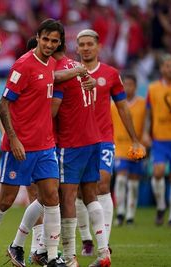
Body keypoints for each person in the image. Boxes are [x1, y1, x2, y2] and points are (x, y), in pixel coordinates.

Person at [0, 19, 65, 267]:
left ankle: (52, 256)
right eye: (45, 39)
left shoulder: (51, 64)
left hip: (45, 145)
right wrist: (13, 139)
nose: (49, 44)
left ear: (58, 43)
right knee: (5, 201)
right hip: (20, 146)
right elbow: (3, 104)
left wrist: (80, 74)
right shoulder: (22, 65)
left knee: (51, 197)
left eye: (54, 41)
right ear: (37, 37)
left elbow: (54, 76)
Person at [75, 29, 145, 256]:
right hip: (75, 140)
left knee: (103, 184)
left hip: (103, 139)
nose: (86, 48)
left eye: (89, 44)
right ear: (77, 48)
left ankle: (103, 242)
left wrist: (135, 138)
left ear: (98, 47)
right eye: (82, 44)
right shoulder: (69, 72)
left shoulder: (111, 74)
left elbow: (123, 107)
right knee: (76, 191)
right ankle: (86, 239)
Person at [51, 42, 110, 267]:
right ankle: (104, 253)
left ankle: (69, 257)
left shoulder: (60, 73)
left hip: (72, 143)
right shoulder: (77, 66)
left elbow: (52, 110)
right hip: (92, 139)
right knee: (90, 196)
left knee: (66, 198)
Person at [144, 53, 171, 227]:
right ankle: (161, 206)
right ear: (162, 68)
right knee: (158, 172)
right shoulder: (153, 88)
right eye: (166, 66)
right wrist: (146, 133)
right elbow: (148, 114)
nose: (169, 68)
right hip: (160, 139)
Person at [112, 73, 146, 226]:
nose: (128, 88)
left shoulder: (143, 104)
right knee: (120, 178)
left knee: (133, 183)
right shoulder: (113, 106)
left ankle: (130, 215)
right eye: (125, 84)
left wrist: (144, 138)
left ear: (136, 87)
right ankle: (120, 212)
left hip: (136, 148)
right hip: (119, 148)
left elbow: (147, 125)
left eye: (131, 85)